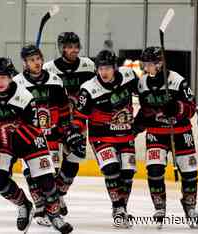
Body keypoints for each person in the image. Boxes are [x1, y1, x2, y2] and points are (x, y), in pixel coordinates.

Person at [0, 57, 73, 233]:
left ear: (11, 77)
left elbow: (34, 127)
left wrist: (6, 140)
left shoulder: (24, 96)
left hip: (30, 139)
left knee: (46, 180)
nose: (0, 81)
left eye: (4, 77)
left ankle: (54, 215)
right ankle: (24, 205)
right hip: (0, 139)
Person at [134, 46, 198, 229]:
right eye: (145, 64)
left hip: (180, 132)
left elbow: (191, 106)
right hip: (156, 134)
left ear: (159, 64)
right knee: (155, 170)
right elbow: (145, 110)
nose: (145, 67)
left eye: (149, 64)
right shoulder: (142, 83)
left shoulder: (177, 81)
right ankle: (159, 207)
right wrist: (136, 127)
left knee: (189, 172)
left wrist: (177, 108)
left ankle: (190, 208)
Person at [71, 50, 138, 228]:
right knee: (111, 168)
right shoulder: (88, 89)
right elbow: (79, 116)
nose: (104, 72)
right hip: (101, 136)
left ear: (115, 67)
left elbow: (144, 94)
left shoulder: (128, 75)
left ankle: (122, 207)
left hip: (125, 133)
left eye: (107, 67)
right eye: (101, 68)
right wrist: (76, 132)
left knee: (128, 172)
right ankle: (118, 209)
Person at [14, 45, 70, 227]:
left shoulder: (55, 81)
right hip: (28, 138)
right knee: (31, 174)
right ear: (24, 63)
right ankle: (39, 206)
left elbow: (63, 110)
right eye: (31, 60)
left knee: (48, 175)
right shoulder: (17, 83)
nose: (36, 62)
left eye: (38, 58)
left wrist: (65, 131)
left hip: (51, 137)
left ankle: (51, 207)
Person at [43, 32, 96, 215]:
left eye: (75, 46)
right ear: (61, 48)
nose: (73, 50)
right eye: (68, 46)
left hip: (78, 122)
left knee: (73, 163)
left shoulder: (88, 65)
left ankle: (58, 195)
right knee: (53, 164)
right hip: (56, 122)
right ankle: (49, 203)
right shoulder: (48, 68)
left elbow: (97, 89)